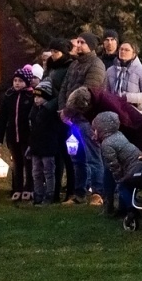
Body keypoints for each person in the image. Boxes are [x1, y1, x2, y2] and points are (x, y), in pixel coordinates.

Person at [58, 33, 107, 206]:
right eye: (77, 41)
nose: (78, 45)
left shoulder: (96, 66)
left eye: (82, 43)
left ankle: (98, 193)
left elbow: (87, 94)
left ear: (91, 46)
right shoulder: (74, 65)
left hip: (88, 119)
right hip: (72, 120)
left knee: (93, 157)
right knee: (77, 158)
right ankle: (79, 193)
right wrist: (62, 109)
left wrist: (68, 111)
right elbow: (65, 88)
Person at [92, 110, 141, 216]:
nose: (94, 132)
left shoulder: (106, 144)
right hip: (138, 164)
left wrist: (119, 178)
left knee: (122, 186)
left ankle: (131, 209)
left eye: (95, 129)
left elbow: (113, 164)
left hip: (131, 167)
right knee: (128, 187)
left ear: (102, 129)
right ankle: (123, 210)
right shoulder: (119, 134)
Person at [0, 70, 35, 201]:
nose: (17, 83)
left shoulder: (30, 96)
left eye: (20, 81)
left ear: (26, 82)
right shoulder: (9, 95)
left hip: (26, 135)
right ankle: (17, 188)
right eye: (15, 80)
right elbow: (3, 116)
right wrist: (0, 135)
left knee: (28, 162)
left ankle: (29, 188)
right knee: (16, 163)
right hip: (12, 135)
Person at [27, 82, 63, 205]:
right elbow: (33, 130)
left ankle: (49, 195)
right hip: (36, 146)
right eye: (35, 97)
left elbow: (55, 129)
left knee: (48, 172)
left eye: (39, 97)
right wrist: (30, 146)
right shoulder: (34, 110)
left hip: (48, 146)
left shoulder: (50, 111)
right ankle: (38, 195)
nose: (36, 99)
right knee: (36, 172)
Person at [107, 41, 142, 115]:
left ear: (134, 53)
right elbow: (106, 90)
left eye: (126, 50)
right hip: (112, 109)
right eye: (121, 49)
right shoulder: (110, 70)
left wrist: (127, 97)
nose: (123, 51)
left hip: (134, 112)